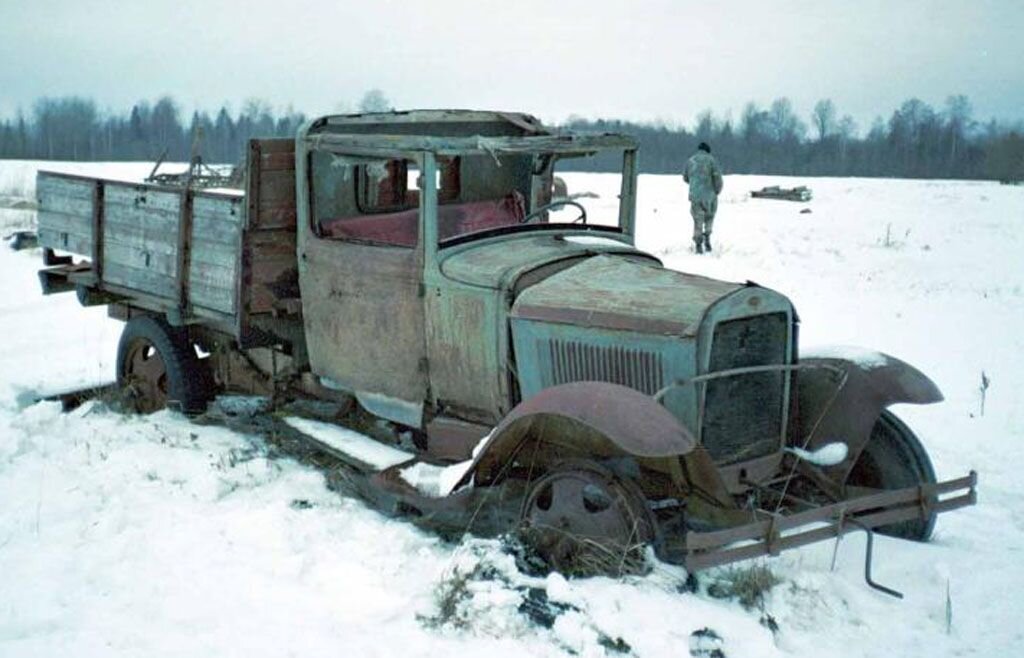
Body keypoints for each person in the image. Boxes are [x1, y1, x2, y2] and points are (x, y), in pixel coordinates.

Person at [683, 142, 724, 254]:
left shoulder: (690, 161)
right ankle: (707, 236)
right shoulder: (712, 160)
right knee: (710, 217)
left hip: (695, 196)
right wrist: (717, 190)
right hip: (710, 196)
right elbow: (717, 178)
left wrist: (694, 184)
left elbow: (685, 178)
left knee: (698, 219)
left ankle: (698, 244)